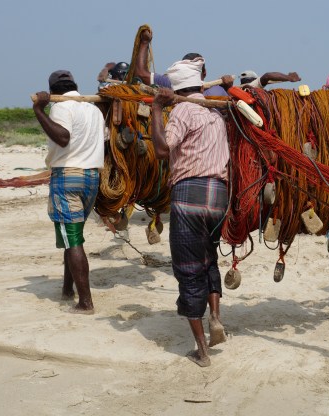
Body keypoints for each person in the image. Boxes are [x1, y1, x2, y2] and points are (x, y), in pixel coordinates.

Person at [150, 57, 231, 367]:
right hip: (218, 198)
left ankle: (201, 350)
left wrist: (158, 110)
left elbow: (161, 150)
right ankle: (215, 318)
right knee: (209, 258)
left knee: (189, 270)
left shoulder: (182, 111)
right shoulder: (216, 113)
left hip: (189, 197)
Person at [32, 70, 105, 314]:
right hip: (91, 177)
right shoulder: (93, 109)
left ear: (53, 91)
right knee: (72, 236)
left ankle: (85, 302)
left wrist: (39, 111)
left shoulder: (61, 107)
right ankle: (67, 289)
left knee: (72, 239)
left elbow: (63, 137)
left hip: (68, 176)